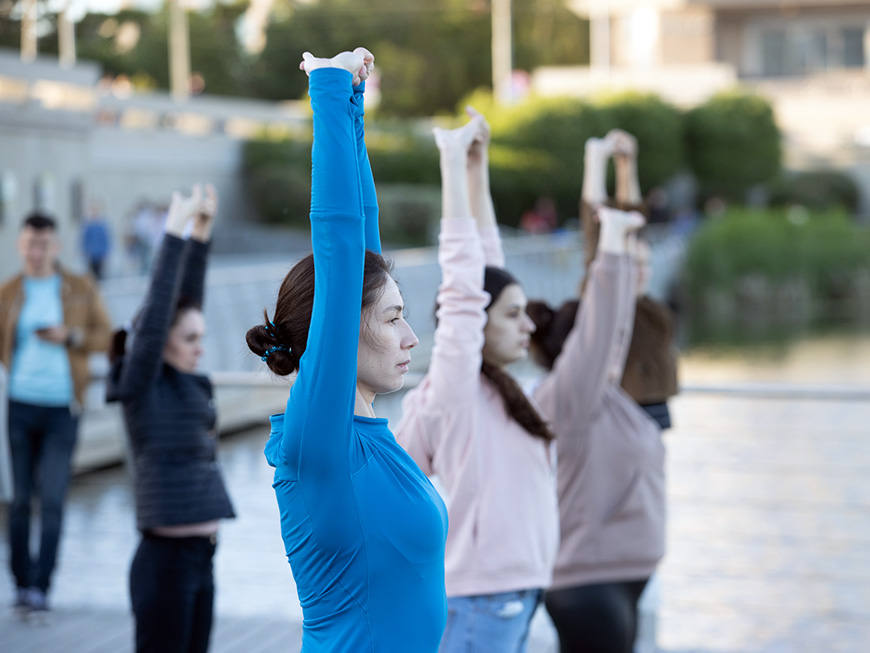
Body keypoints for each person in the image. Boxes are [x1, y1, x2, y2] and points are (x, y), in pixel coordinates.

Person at [244, 49, 448, 652]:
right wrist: (330, 90)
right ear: (339, 331)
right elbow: (339, 246)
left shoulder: (364, 434)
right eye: (393, 319)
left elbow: (362, 244)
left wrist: (355, 110)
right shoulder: (321, 440)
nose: (411, 337)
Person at [395, 109, 559, 653]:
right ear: (474, 325)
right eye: (513, 315)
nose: (528, 325)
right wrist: (450, 160)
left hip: (512, 594)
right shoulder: (455, 390)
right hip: (480, 600)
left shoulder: (496, 388)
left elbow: (488, 269)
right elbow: (467, 288)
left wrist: (476, 166)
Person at [527, 134, 666, 653]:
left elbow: (618, 322)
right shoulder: (569, 397)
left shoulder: (604, 392)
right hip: (588, 583)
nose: (611, 346)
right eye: (597, 343)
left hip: (616, 578)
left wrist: (625, 243)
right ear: (577, 350)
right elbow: (606, 317)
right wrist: (608, 244)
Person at [106, 184, 236, 653]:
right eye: (190, 340)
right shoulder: (142, 383)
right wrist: (174, 231)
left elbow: (186, 305)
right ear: (161, 342)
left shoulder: (185, 381)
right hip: (165, 563)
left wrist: (201, 234)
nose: (200, 347)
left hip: (203, 557)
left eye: (201, 337)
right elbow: (162, 305)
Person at [0, 212, 112, 616]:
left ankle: (42, 587)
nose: (36, 252)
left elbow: (107, 337)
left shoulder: (80, 288)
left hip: (63, 408)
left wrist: (70, 336)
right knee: (19, 501)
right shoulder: (9, 292)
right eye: (30, 244)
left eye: (43, 244)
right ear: (20, 245)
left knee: (52, 499)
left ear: (56, 246)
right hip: (18, 405)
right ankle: (21, 583)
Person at [81, 202, 112, 279]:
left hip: (100, 254)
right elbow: (85, 240)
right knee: (91, 274)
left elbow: (105, 240)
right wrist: (85, 251)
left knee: (99, 273)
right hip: (91, 253)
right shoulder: (88, 226)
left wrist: (105, 253)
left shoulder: (102, 226)